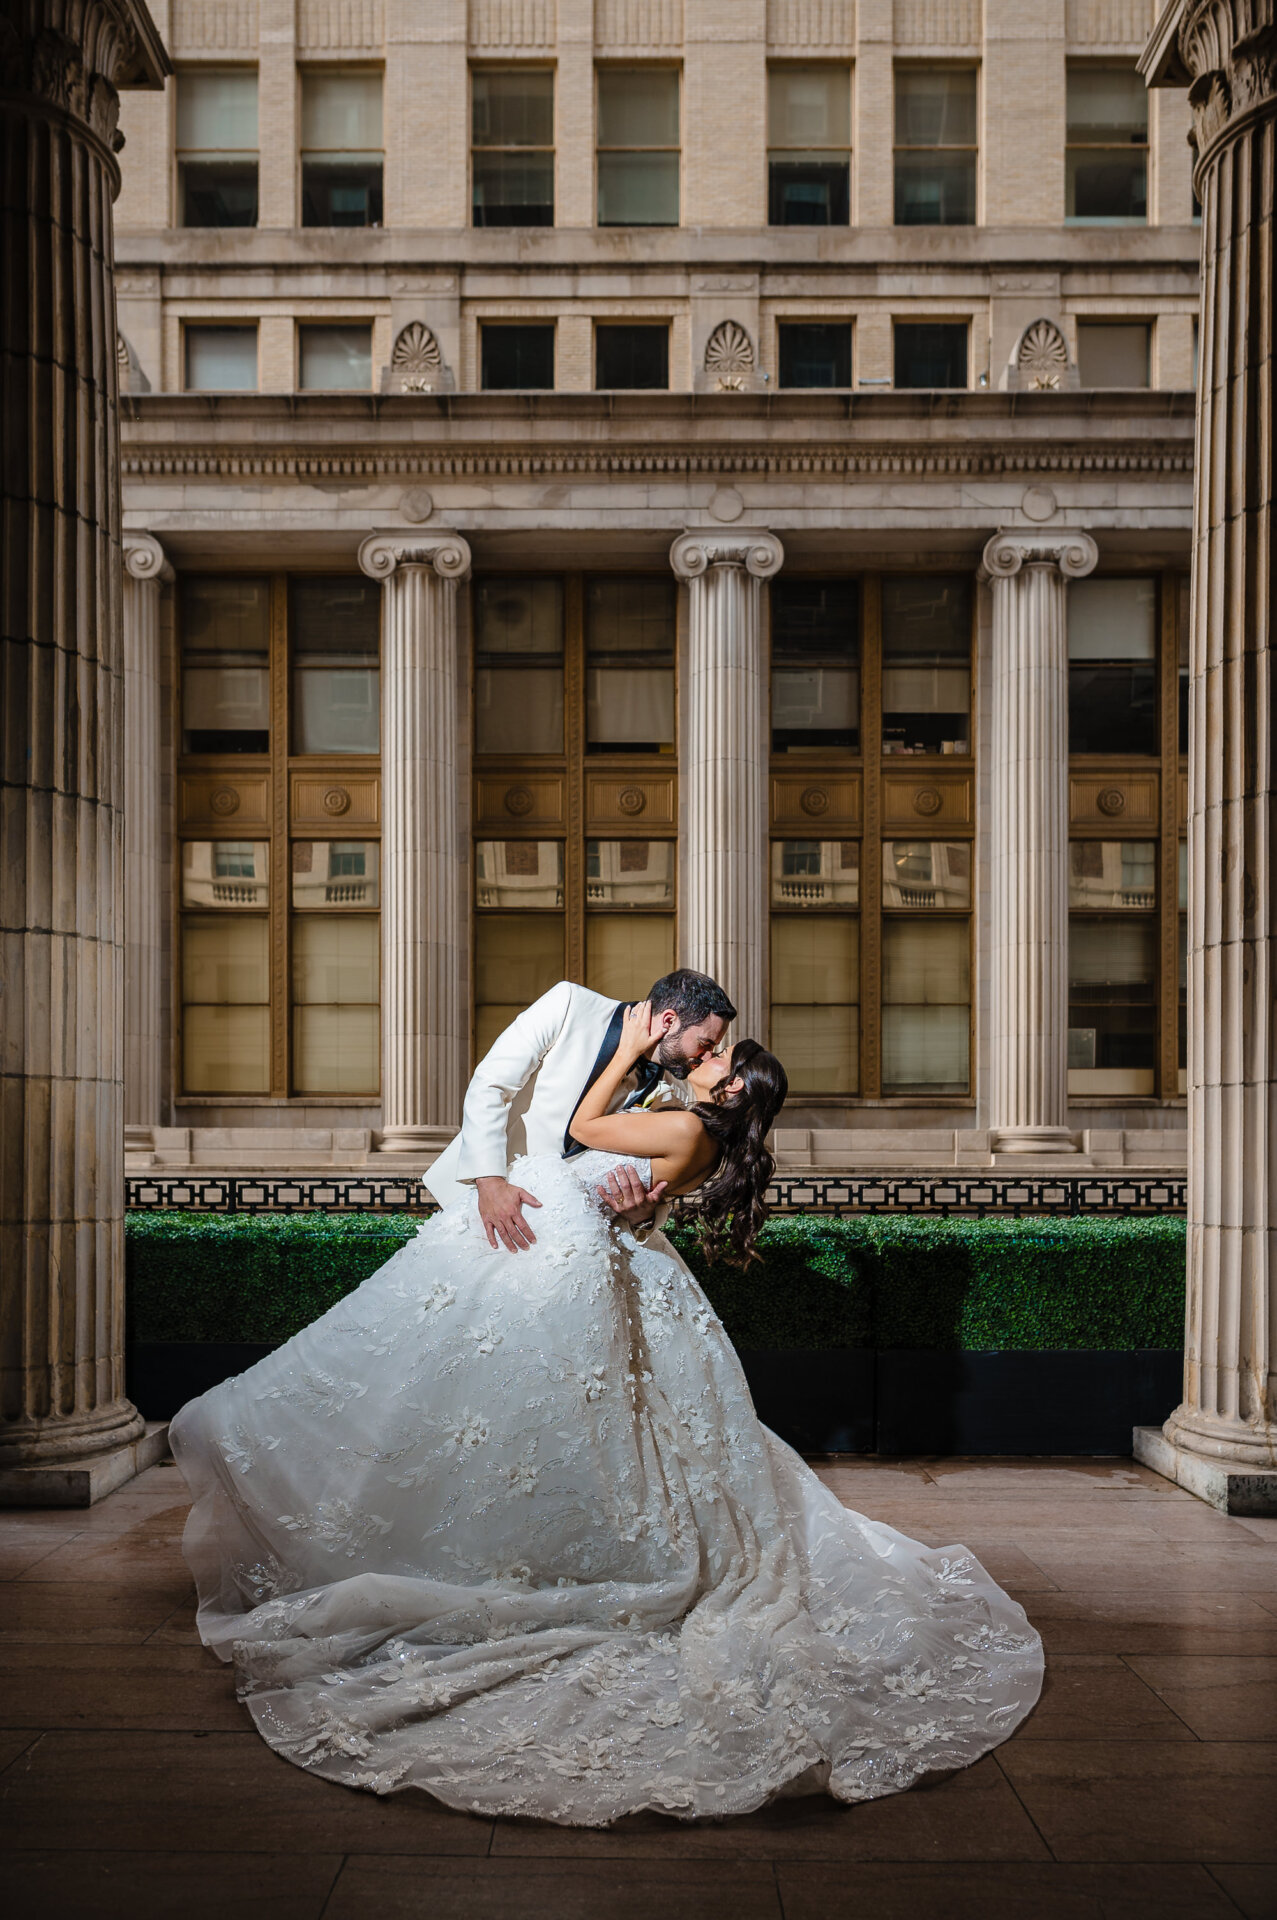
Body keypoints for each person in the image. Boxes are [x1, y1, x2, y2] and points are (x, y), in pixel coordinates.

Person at [169, 1000, 1043, 1826]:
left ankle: (472, 1552)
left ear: (726, 1085)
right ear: (671, 1021)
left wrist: (637, 1114)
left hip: (566, 1268)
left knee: (511, 1426)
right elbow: (512, 1106)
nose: (703, 1059)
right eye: (703, 1046)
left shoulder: (677, 1104)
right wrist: (570, 1189)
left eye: (716, 1059)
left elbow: (593, 1138)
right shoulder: (598, 1036)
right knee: (467, 1411)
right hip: (540, 1250)